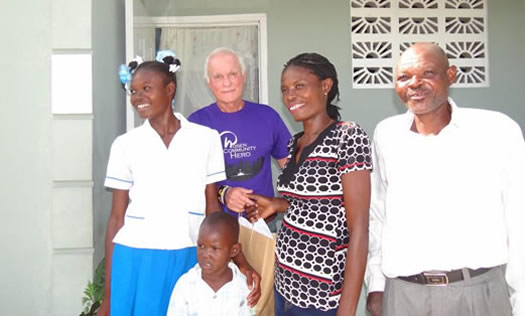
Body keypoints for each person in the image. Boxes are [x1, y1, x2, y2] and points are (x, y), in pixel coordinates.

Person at [365, 42, 525, 316]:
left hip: (477, 293)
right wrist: (376, 284)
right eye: (404, 77)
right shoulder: (386, 135)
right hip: (403, 296)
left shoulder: (497, 131)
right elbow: (378, 214)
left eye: (428, 73)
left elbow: (519, 219)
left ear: (450, 75)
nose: (415, 84)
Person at [97, 51, 260, 316]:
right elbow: (117, 219)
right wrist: (108, 298)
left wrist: (239, 259)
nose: (138, 98)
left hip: (187, 255)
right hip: (136, 257)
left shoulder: (206, 139)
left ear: (170, 89)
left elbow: (212, 209)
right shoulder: (125, 145)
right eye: (134, 91)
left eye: (146, 89)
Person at [248, 52, 372, 316]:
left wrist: (346, 311)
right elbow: (315, 201)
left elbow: (359, 228)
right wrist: (277, 204)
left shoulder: (347, 137)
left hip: (321, 296)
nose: (290, 95)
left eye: (299, 86)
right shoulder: (295, 142)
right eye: (285, 89)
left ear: (325, 86)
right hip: (285, 286)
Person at [188, 47, 291, 220]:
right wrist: (224, 193)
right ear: (209, 83)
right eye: (218, 77)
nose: (226, 83)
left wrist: (286, 205)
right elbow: (189, 179)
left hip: (263, 224)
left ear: (244, 77)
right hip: (215, 230)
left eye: (232, 74)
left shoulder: (267, 116)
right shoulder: (196, 123)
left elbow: (292, 171)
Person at [167, 211, 256, 316]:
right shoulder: (186, 285)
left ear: (234, 250)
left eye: (215, 248)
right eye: (201, 246)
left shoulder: (244, 287)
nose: (205, 255)